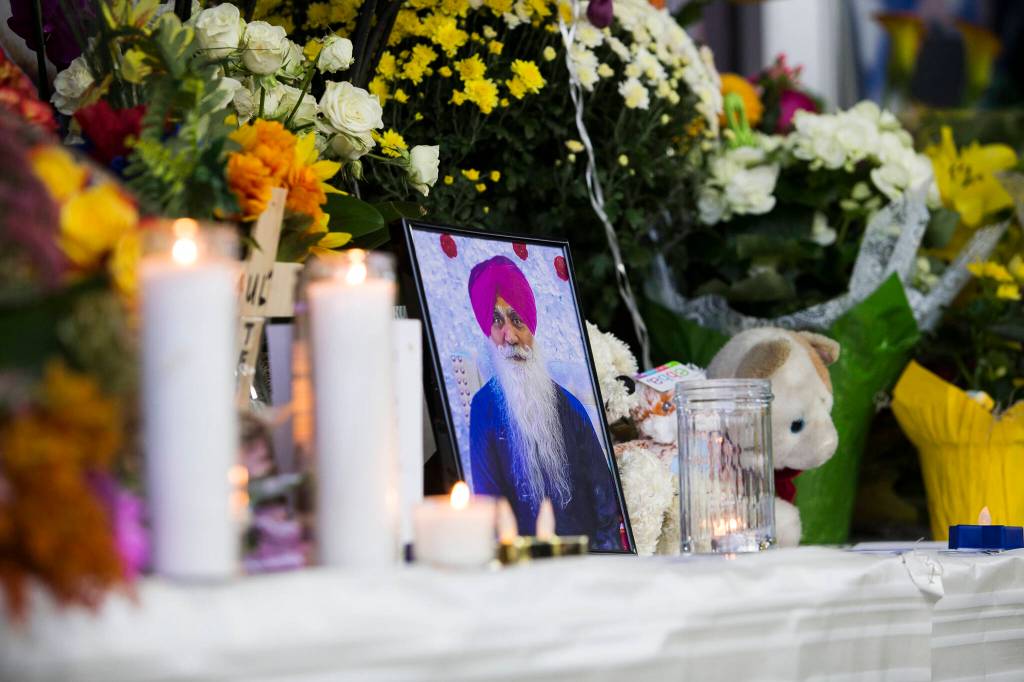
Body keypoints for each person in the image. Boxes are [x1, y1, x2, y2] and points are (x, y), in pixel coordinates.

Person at [466, 255, 624, 550]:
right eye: (496, 320)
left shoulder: (570, 407)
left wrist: (606, 557)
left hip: (587, 558)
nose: (509, 336)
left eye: (516, 320)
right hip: (526, 567)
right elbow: (489, 507)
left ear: (531, 327)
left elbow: (606, 499)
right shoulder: (483, 408)